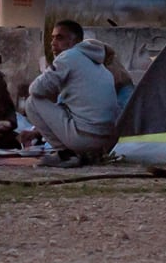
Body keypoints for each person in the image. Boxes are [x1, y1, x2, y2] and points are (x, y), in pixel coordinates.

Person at [24, 19, 118, 168]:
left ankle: (65, 155)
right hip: (107, 141)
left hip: (85, 138)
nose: (53, 43)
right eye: (52, 38)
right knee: (60, 105)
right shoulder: (99, 65)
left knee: (32, 102)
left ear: (76, 41)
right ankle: (84, 155)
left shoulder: (68, 57)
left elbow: (35, 90)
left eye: (60, 38)